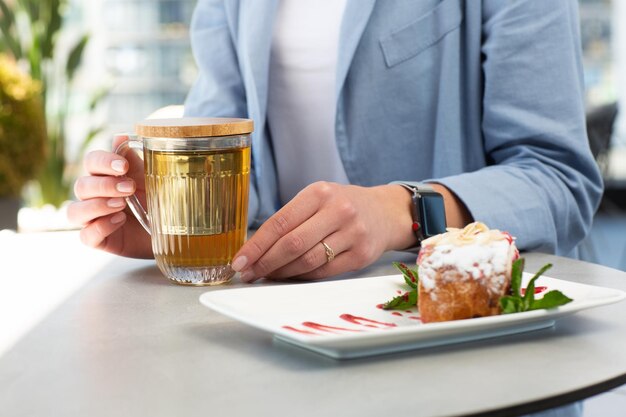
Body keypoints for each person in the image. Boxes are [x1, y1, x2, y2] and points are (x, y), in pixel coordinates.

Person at [69, 0, 601, 280]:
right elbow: (235, 166)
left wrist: (402, 210)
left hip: (462, 345)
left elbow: (558, 177)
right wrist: (166, 220)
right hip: (285, 335)